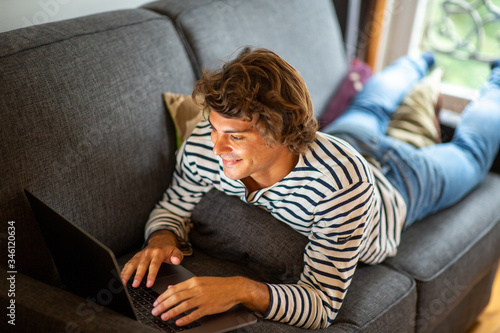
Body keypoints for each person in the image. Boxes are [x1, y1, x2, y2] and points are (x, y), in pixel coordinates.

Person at [121, 48, 500, 329]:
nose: (217, 147)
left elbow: (321, 305)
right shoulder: (206, 144)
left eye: (234, 136)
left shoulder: (339, 185)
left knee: (471, 153)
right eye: (215, 129)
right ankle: (419, 59)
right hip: (347, 141)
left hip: (402, 184)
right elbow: (174, 206)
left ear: (282, 131)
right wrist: (162, 237)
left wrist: (239, 289)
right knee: (369, 107)